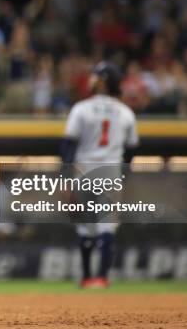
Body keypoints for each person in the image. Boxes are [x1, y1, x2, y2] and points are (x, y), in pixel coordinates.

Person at [60, 62, 139, 289]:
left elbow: (67, 146)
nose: (92, 80)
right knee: (107, 227)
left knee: (85, 227)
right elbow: (132, 150)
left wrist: (65, 180)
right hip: (111, 171)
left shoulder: (81, 108)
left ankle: (86, 278)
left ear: (101, 81)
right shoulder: (126, 112)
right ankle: (102, 278)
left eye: (96, 77)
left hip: (83, 170)